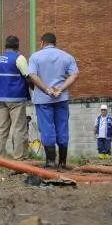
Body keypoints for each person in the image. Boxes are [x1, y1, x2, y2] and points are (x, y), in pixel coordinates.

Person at [28, 32, 79, 169]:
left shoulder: (35, 57)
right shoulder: (67, 56)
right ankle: (62, 162)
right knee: (62, 127)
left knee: (47, 129)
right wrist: (61, 89)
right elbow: (74, 75)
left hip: (43, 100)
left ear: (42, 43)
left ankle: (50, 162)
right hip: (61, 99)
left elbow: (32, 75)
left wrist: (47, 90)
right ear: (55, 43)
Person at [0, 35, 31, 160]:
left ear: (5, 46)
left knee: (2, 128)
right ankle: (19, 157)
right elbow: (27, 76)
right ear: (18, 46)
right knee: (19, 128)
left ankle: (0, 158)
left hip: (0, 99)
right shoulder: (19, 58)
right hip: (16, 97)